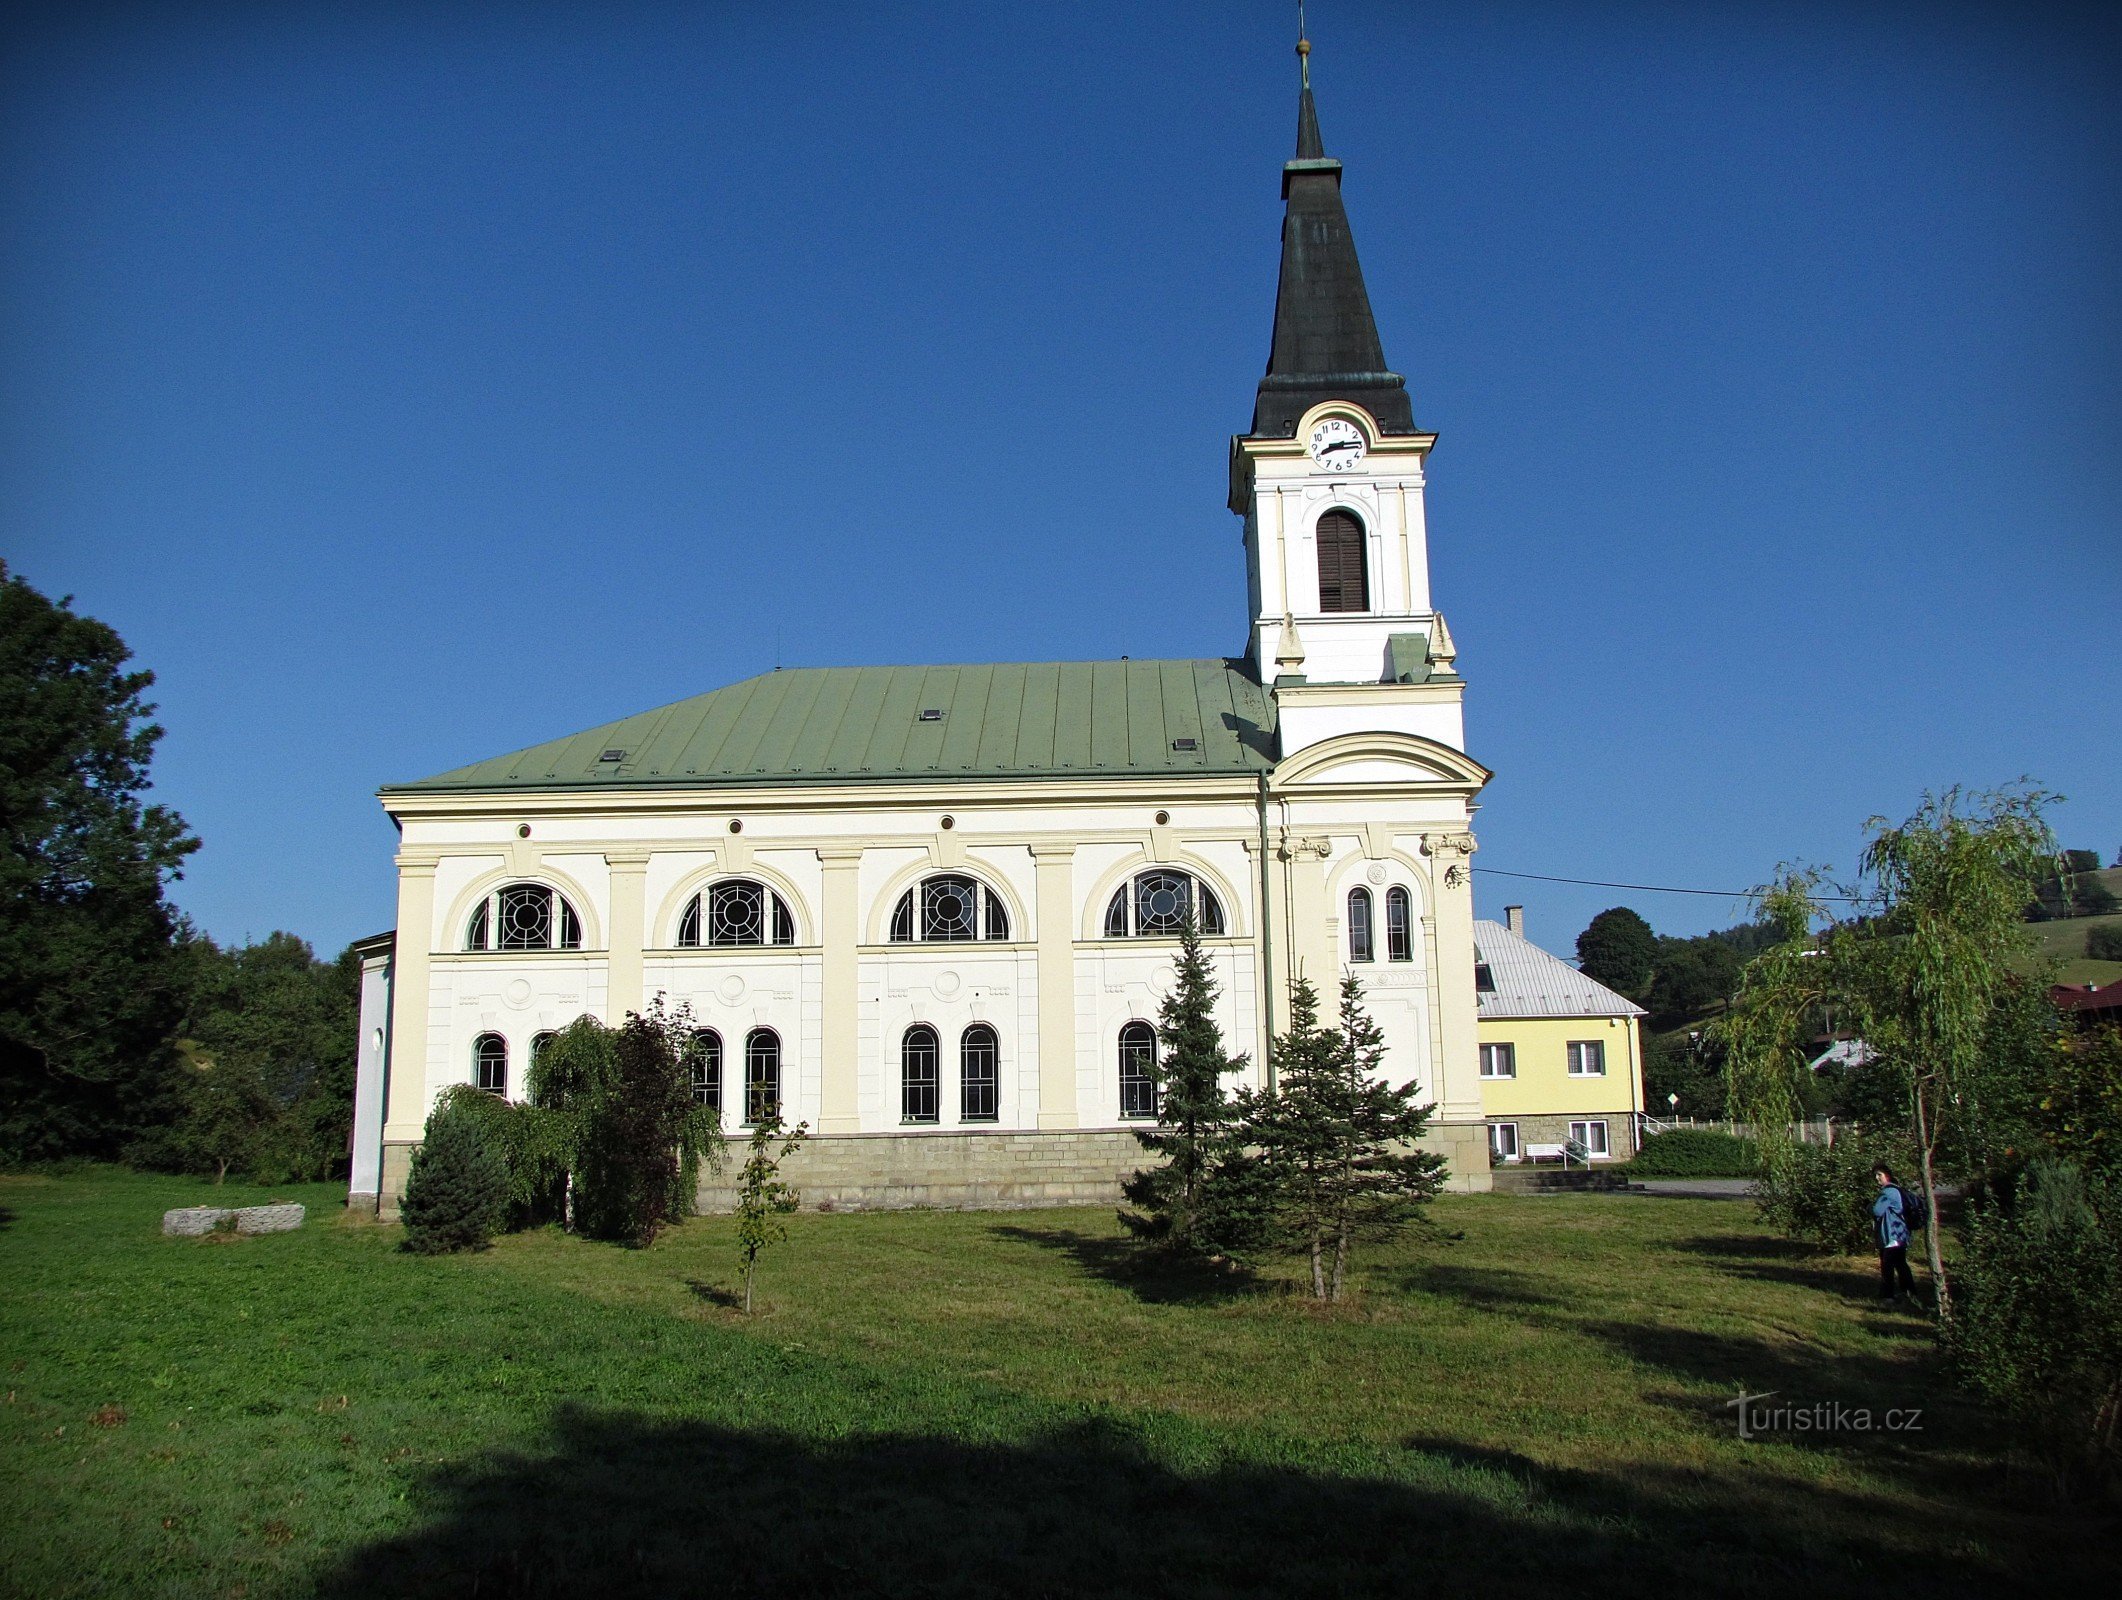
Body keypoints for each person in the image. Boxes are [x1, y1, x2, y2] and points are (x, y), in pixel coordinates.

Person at [1872, 1165, 1917, 1303]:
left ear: (1887, 1175)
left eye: (1879, 1174)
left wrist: (1868, 1206)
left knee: (1888, 1266)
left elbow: (1876, 1211)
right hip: (1900, 1234)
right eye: (1875, 1175)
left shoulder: (1888, 1192)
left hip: (1892, 1235)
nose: (1877, 1178)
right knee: (1900, 1264)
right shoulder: (1896, 1189)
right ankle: (1909, 1293)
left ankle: (1888, 1295)